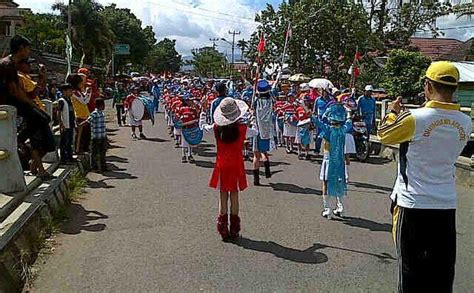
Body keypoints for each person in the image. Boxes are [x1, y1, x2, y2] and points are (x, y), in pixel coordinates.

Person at [378, 61, 471, 293]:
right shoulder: (465, 122)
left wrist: (392, 112)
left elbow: (384, 136)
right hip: (446, 205)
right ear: (455, 89)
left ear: (427, 85)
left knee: (410, 273)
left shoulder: (414, 119)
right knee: (441, 274)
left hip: (412, 203)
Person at [199, 97, 257, 241]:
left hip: (221, 164)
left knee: (223, 196)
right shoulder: (243, 129)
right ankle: (234, 230)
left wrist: (203, 111)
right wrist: (253, 117)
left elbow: (202, 126)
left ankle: (223, 229)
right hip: (236, 165)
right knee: (235, 196)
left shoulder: (216, 128)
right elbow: (255, 131)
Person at [1, 36, 55, 179]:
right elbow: (15, 91)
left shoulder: (12, 64)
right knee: (43, 118)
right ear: (21, 48)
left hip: (16, 101)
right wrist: (31, 104)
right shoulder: (7, 64)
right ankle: (20, 138)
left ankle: (25, 142)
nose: (29, 51)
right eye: (27, 48)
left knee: (43, 118)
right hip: (10, 103)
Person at [314, 103, 350, 219]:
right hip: (339, 160)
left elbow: (317, 122)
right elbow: (349, 122)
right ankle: (341, 207)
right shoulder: (344, 129)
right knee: (339, 182)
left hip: (328, 159)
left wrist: (311, 113)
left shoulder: (328, 130)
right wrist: (348, 113)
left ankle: (327, 209)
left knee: (325, 183)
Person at [252, 79, 274, 186]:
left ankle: (256, 180)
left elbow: (252, 111)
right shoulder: (271, 101)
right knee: (264, 152)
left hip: (257, 130)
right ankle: (266, 165)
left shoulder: (256, 101)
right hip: (266, 130)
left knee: (256, 155)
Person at [81, 98, 107, 173]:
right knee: (94, 153)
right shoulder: (94, 113)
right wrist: (80, 125)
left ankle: (103, 166)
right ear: (101, 105)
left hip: (102, 136)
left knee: (102, 152)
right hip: (95, 137)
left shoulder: (102, 113)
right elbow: (87, 121)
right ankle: (94, 167)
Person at [68, 73, 91, 153]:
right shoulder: (75, 92)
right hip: (80, 116)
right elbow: (84, 101)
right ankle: (78, 149)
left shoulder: (79, 92)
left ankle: (85, 149)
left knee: (87, 135)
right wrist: (88, 93)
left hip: (85, 115)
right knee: (80, 135)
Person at [57, 83, 76, 163]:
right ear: (64, 91)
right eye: (69, 90)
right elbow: (59, 112)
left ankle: (69, 156)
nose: (71, 92)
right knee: (64, 142)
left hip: (71, 124)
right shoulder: (62, 101)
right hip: (65, 124)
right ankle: (63, 159)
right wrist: (61, 124)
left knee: (69, 142)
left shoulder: (69, 100)